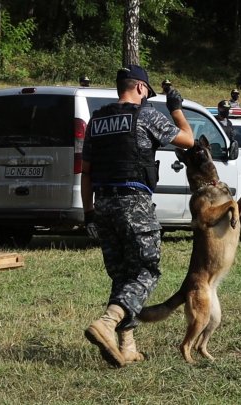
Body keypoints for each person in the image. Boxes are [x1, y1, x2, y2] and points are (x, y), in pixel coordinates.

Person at [81, 65, 195, 368]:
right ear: (141, 88)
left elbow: (86, 172)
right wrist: (176, 108)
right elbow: (188, 140)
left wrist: (88, 212)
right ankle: (107, 322)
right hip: (133, 202)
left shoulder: (97, 119)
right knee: (146, 270)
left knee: (122, 276)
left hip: (102, 204)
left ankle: (127, 345)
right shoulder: (145, 115)